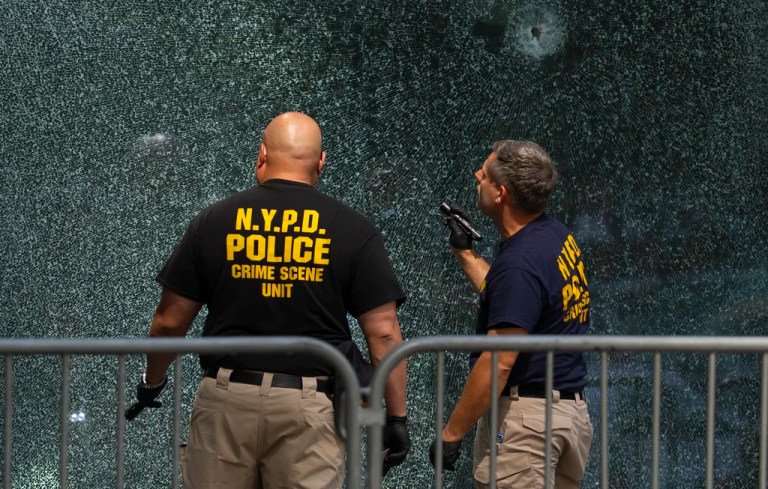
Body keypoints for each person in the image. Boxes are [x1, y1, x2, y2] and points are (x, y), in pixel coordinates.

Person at [126, 111, 410, 489]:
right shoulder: (353, 228)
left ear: (261, 154)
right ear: (321, 162)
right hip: (310, 408)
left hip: (226, 402)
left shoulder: (215, 220)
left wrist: (153, 380)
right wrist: (396, 419)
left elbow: (169, 323)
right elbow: (385, 335)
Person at [429, 140, 592, 488]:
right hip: (566, 415)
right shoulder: (555, 235)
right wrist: (465, 253)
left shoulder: (519, 264)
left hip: (527, 429)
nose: (477, 175)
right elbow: (517, 300)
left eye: (484, 175)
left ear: (501, 193)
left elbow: (499, 362)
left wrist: (452, 433)